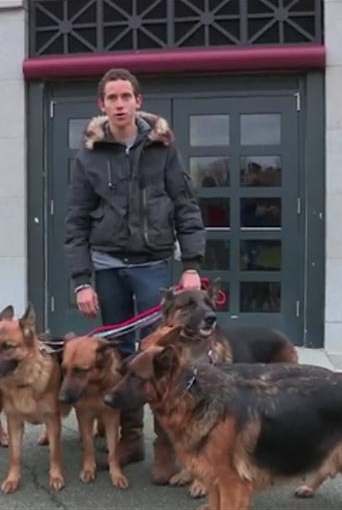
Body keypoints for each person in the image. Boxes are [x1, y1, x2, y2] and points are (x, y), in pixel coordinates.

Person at [64, 68, 206, 468]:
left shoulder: (163, 149)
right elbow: (75, 222)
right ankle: (130, 438)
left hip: (153, 266)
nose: (120, 104)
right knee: (120, 353)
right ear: (102, 105)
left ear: (138, 101)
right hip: (107, 267)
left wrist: (191, 265)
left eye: (126, 96)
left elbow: (186, 207)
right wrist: (81, 282)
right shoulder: (88, 157)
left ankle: (166, 444)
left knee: (159, 353)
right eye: (112, 98)